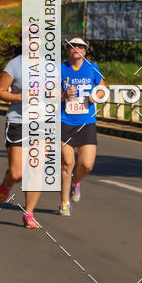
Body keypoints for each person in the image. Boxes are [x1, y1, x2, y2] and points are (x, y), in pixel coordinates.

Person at [0, 37, 42, 229]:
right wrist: (21, 97)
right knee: (17, 173)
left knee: (36, 168)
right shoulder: (15, 64)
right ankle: (7, 182)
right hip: (17, 121)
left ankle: (29, 213)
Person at [59, 37, 106, 216]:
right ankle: (64, 203)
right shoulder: (60, 69)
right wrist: (63, 94)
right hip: (64, 121)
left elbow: (103, 87)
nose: (77, 48)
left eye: (81, 46)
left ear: (85, 51)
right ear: (68, 50)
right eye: (73, 46)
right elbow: (49, 92)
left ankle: (75, 182)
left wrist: (97, 93)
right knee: (67, 164)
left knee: (87, 165)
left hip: (86, 122)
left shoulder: (92, 67)